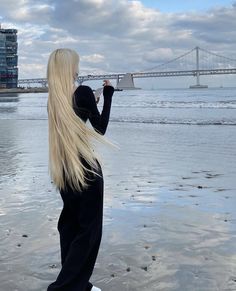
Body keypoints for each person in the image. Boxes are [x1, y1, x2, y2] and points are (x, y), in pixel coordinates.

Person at [47, 48, 114, 291]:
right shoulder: (84, 93)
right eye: (76, 64)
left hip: (64, 167)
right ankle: (65, 288)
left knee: (70, 225)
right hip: (85, 166)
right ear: (69, 67)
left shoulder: (55, 99)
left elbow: (74, 117)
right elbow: (101, 128)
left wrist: (89, 105)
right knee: (89, 232)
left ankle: (79, 285)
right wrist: (107, 95)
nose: (78, 69)